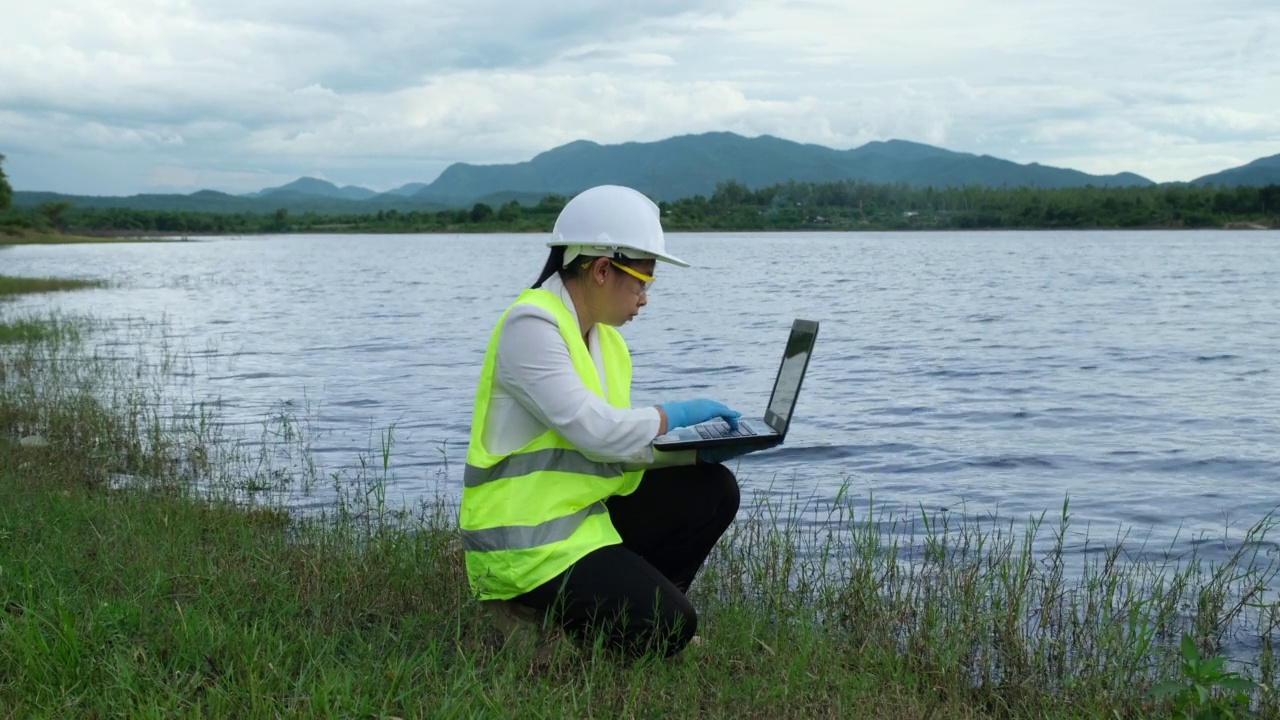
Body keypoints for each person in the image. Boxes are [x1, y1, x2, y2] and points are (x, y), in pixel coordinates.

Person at [459, 184, 768, 659]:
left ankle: (622, 612)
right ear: (602, 269)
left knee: (711, 489)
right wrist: (676, 415)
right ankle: (526, 617)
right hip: (523, 548)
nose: (645, 296)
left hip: (583, 524)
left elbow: (614, 450)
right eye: (642, 280)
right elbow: (598, 432)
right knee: (673, 626)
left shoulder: (608, 343)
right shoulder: (530, 326)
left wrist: (692, 450)